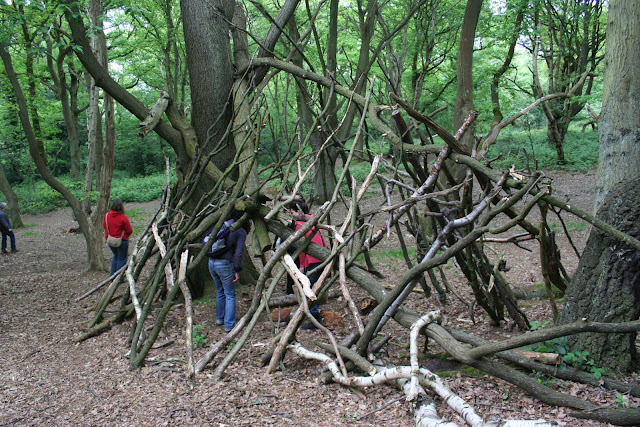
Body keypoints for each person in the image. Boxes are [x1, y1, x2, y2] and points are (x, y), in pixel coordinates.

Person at [208, 209, 250, 333]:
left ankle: (219, 319)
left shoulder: (223, 225)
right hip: (224, 264)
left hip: (211, 262)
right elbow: (238, 253)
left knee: (220, 291)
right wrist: (237, 269)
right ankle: (229, 325)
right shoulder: (240, 231)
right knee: (230, 294)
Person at [290, 201, 327, 330]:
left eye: (293, 212)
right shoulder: (313, 218)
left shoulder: (300, 224)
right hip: (322, 257)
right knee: (314, 286)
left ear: (298, 211)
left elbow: (301, 247)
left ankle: (314, 318)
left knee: (309, 288)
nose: (292, 215)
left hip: (313, 259)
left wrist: (302, 265)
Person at [103, 199, 133, 276]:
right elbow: (129, 230)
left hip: (110, 240)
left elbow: (105, 227)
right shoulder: (123, 217)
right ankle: (119, 277)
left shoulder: (106, 216)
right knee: (122, 259)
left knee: (115, 256)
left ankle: (112, 275)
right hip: (122, 240)